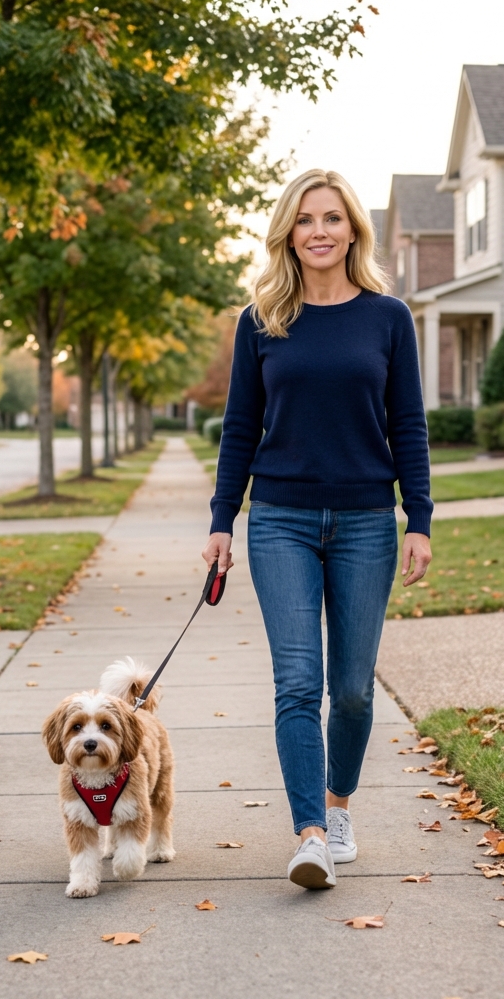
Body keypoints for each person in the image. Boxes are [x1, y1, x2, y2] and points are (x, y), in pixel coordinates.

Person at [201, 169, 433, 890]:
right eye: (306, 220)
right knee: (299, 683)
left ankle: (337, 807)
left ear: (353, 230)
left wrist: (417, 518)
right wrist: (221, 521)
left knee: (355, 689)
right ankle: (308, 835)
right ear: (288, 233)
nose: (321, 230)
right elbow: (241, 428)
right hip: (280, 522)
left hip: (367, 522)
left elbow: (409, 426)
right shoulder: (261, 320)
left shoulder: (388, 318)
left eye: (334, 218)